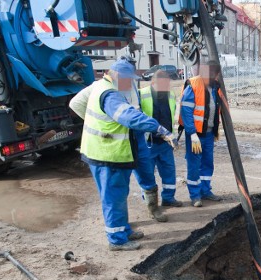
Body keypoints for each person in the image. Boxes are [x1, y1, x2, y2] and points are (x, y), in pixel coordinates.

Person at [79, 58, 176, 250]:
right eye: (126, 79)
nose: (129, 83)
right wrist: (158, 128)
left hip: (115, 152)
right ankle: (117, 240)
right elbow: (129, 116)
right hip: (106, 154)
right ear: (115, 75)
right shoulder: (109, 94)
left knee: (119, 194)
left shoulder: (110, 88)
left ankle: (123, 230)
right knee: (113, 197)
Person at [179, 60, 223, 207]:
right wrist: (192, 134)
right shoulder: (193, 85)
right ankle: (195, 195)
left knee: (207, 164)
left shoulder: (215, 86)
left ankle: (205, 191)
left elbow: (215, 109)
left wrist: (215, 129)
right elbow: (186, 112)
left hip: (208, 134)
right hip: (195, 135)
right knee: (194, 165)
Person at [138, 69, 183, 208]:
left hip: (165, 143)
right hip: (148, 143)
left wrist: (172, 136)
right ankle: (150, 203)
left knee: (169, 171)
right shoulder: (142, 94)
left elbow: (170, 117)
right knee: (147, 174)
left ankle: (168, 198)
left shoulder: (170, 95)